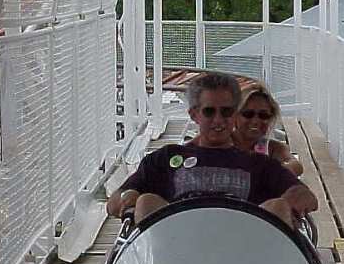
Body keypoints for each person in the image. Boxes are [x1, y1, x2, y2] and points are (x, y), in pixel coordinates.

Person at [107, 72, 317, 228]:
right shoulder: (166, 158)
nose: (218, 120)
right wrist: (128, 198)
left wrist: (295, 198)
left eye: (226, 112)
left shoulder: (260, 164)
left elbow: (307, 198)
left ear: (235, 115)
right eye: (209, 112)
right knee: (146, 201)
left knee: (278, 206)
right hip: (179, 252)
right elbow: (115, 200)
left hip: (244, 252)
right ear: (194, 115)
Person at [232, 83, 304, 177]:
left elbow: (296, 165)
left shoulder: (273, 148)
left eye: (263, 115)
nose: (256, 121)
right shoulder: (222, 143)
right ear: (234, 116)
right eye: (248, 114)